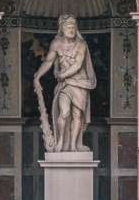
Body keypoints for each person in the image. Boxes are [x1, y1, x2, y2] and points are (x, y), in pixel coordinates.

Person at [32, 14, 97, 152]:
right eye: (68, 26)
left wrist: (62, 75)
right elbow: (49, 61)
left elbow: (78, 65)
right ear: (62, 28)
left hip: (80, 83)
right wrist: (38, 76)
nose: (71, 29)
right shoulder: (56, 44)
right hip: (65, 85)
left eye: (73, 26)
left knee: (77, 115)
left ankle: (73, 145)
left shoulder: (81, 44)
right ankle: (60, 140)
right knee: (64, 113)